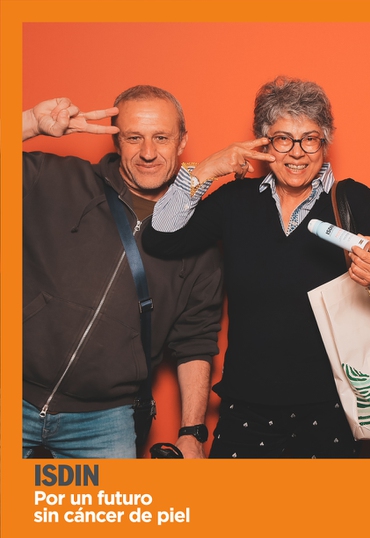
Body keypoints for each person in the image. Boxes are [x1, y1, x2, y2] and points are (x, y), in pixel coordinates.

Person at [142, 76, 370, 458]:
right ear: (264, 144)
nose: (297, 153)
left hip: (335, 410)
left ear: (324, 142)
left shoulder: (352, 199)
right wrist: (207, 169)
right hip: (246, 410)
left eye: (310, 139)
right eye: (283, 139)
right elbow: (159, 238)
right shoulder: (236, 202)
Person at [23, 87, 224, 459]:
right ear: (116, 140)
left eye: (161, 138)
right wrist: (29, 124)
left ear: (182, 141)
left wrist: (192, 433)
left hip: (104, 422)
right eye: (134, 138)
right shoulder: (54, 178)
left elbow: (195, 340)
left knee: (111, 502)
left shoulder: (199, 235)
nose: (148, 153)